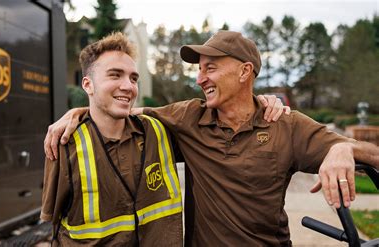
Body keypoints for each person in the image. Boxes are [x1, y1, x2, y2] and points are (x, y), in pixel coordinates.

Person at [43, 31, 379, 246]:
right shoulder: (189, 116)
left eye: (211, 68)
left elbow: (374, 156)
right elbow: (123, 108)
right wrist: (77, 113)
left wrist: (342, 148)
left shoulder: (285, 125)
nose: (200, 79)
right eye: (199, 69)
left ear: (245, 72)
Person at [40, 32, 184, 246]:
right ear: (88, 85)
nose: (128, 86)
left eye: (133, 78)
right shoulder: (64, 143)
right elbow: (54, 225)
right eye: (115, 75)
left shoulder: (159, 132)